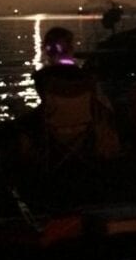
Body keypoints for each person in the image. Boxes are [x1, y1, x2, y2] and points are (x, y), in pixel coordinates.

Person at [30, 26, 119, 161]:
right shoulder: (87, 78)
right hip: (84, 135)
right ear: (71, 48)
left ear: (47, 50)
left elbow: (47, 107)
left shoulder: (42, 78)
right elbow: (103, 108)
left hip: (54, 135)